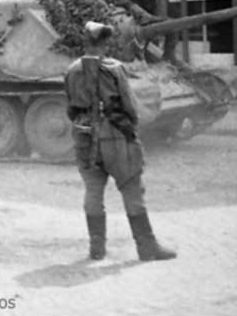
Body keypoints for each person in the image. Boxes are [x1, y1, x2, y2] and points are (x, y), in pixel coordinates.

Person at [63, 21, 176, 262]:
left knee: (93, 191)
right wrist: (131, 130)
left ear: (85, 42)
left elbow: (70, 107)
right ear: (105, 43)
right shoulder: (114, 68)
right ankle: (146, 247)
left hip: (84, 137)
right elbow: (130, 106)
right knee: (132, 189)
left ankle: (96, 248)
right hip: (114, 137)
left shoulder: (72, 70)